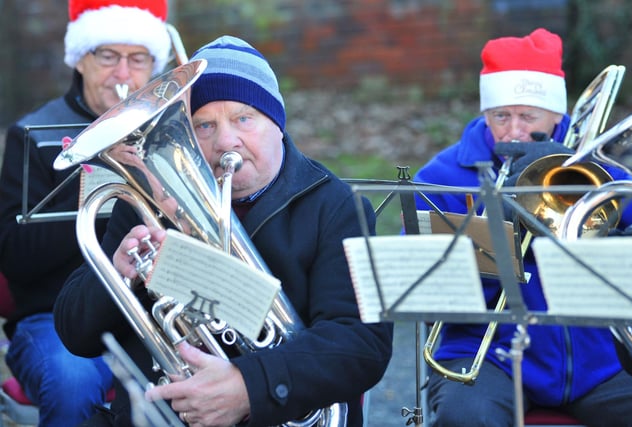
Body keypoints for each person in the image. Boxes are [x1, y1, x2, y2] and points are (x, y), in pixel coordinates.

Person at [53, 35, 394, 427]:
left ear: (277, 124)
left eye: (243, 118)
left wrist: (247, 386)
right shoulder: (148, 205)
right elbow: (75, 334)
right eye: (204, 125)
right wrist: (116, 275)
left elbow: (361, 345)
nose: (226, 140)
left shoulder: (337, 207)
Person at [412, 28, 632, 427]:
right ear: (484, 114)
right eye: (501, 116)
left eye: (528, 116)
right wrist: (502, 215)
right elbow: (430, 290)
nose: (514, 130)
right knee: (467, 418)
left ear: (556, 115)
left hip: (597, 360)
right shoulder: (441, 177)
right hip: (485, 354)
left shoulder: (600, 168)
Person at [0, 1, 172, 426]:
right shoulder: (34, 135)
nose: (123, 74)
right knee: (72, 381)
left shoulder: (172, 134)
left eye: (137, 59)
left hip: (152, 315)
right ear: (81, 59)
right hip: (51, 318)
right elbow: (14, 259)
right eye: (108, 56)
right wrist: (90, 193)